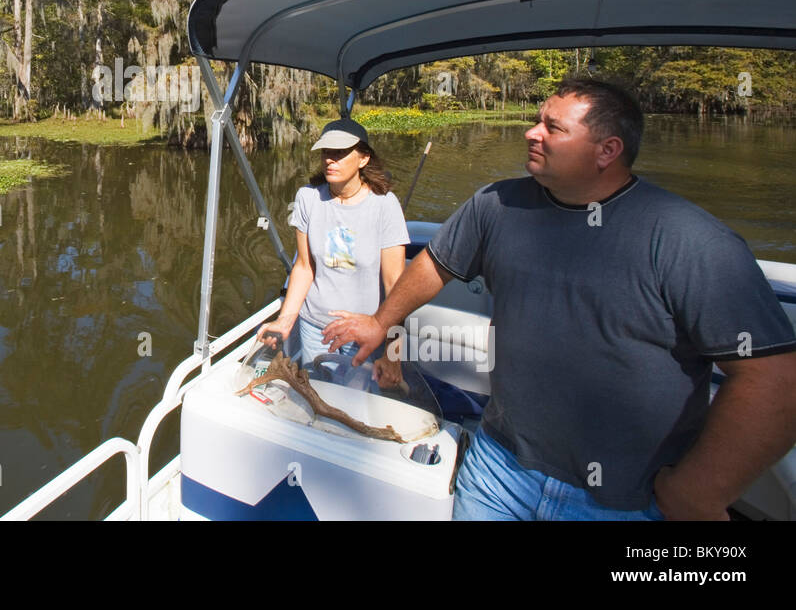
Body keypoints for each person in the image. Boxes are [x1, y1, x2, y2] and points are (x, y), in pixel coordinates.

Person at [321, 78, 796, 520]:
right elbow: (436, 263)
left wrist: (700, 491)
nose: (532, 133)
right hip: (498, 467)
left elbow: (774, 380)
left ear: (607, 150)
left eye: (553, 127)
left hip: (622, 498)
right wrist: (381, 322)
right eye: (536, 120)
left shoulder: (688, 240)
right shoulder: (496, 205)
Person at [257, 117, 410, 389]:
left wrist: (393, 350)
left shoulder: (385, 205)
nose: (330, 159)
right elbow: (304, 267)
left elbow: (395, 286)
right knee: (315, 400)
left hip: (363, 332)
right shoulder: (308, 198)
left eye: (340, 153)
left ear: (363, 158)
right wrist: (285, 320)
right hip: (314, 326)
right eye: (327, 152)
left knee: (357, 406)